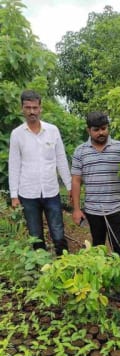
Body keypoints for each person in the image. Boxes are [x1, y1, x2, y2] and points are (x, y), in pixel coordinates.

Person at [71, 111, 120, 258]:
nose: (101, 132)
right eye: (96, 130)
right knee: (98, 246)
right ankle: (100, 276)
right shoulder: (80, 151)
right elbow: (76, 180)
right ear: (88, 130)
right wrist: (76, 209)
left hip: (116, 208)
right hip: (93, 210)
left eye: (104, 128)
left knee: (118, 245)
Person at [7, 90, 72, 255]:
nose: (31, 112)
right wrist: (14, 195)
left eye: (35, 107)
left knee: (58, 233)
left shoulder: (52, 130)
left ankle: (64, 265)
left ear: (40, 108)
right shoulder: (17, 134)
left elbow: (61, 160)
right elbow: (14, 165)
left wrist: (70, 186)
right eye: (28, 107)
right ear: (22, 108)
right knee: (35, 236)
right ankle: (41, 271)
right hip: (28, 194)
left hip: (51, 192)